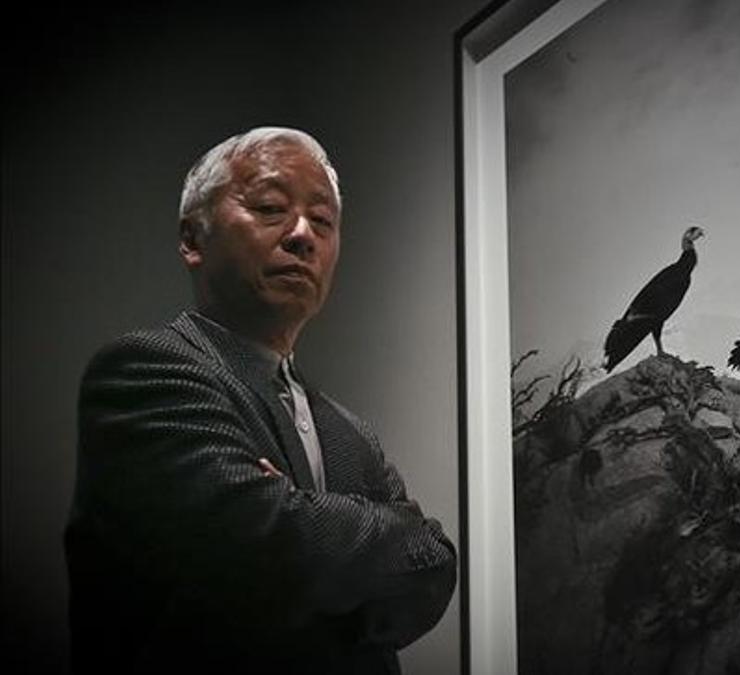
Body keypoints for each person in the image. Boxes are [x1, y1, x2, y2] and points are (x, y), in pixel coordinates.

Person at [64, 127, 457, 675]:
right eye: (271, 208)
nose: (303, 235)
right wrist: (382, 540)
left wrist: (304, 525)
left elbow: (435, 567)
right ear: (192, 238)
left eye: (323, 221)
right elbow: (263, 551)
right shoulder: (144, 371)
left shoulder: (351, 432)